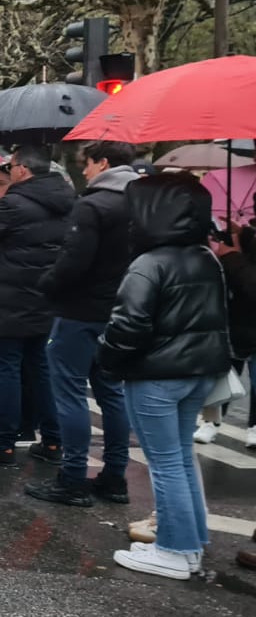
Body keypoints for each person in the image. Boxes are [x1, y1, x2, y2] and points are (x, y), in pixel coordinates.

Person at [98, 174, 229, 580]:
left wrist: (109, 359)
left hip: (155, 375)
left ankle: (173, 549)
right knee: (181, 460)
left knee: (165, 463)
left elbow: (128, 325)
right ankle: (189, 546)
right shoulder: (207, 256)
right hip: (200, 372)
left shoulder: (148, 263)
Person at [27, 141, 138, 507]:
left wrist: (46, 284)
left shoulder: (93, 205)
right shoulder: (141, 203)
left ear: (103, 162)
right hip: (120, 310)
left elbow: (73, 261)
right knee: (111, 392)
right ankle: (114, 476)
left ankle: (72, 477)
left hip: (80, 311)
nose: (85, 171)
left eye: (88, 164)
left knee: (71, 391)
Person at [0, 145, 74, 466]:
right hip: (46, 297)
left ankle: (3, 442)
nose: (9, 172)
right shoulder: (66, 202)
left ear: (22, 169)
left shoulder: (14, 203)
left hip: (8, 297)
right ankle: (53, 441)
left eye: (11, 167)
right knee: (40, 369)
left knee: (7, 370)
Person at [210, 202, 256, 449]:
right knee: (224, 374)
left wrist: (233, 255)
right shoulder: (249, 235)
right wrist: (241, 235)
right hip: (237, 321)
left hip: (248, 320)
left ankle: (254, 425)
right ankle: (212, 421)